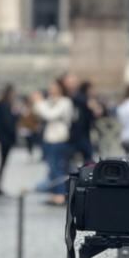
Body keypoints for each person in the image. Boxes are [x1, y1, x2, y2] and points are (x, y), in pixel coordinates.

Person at [34, 78, 75, 206]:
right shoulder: (50, 101)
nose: (51, 89)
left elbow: (50, 115)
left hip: (59, 138)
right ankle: (53, 194)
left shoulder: (65, 102)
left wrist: (39, 102)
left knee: (58, 167)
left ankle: (61, 194)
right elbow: (39, 113)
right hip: (49, 138)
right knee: (51, 168)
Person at [0, 84, 19, 197]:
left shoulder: (1, 105)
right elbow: (8, 123)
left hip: (2, 138)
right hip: (5, 138)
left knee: (2, 163)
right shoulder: (5, 106)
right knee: (2, 162)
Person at [67, 76, 103, 167]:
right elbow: (94, 109)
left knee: (87, 158)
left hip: (84, 133)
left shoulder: (84, 98)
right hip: (78, 134)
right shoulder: (80, 98)